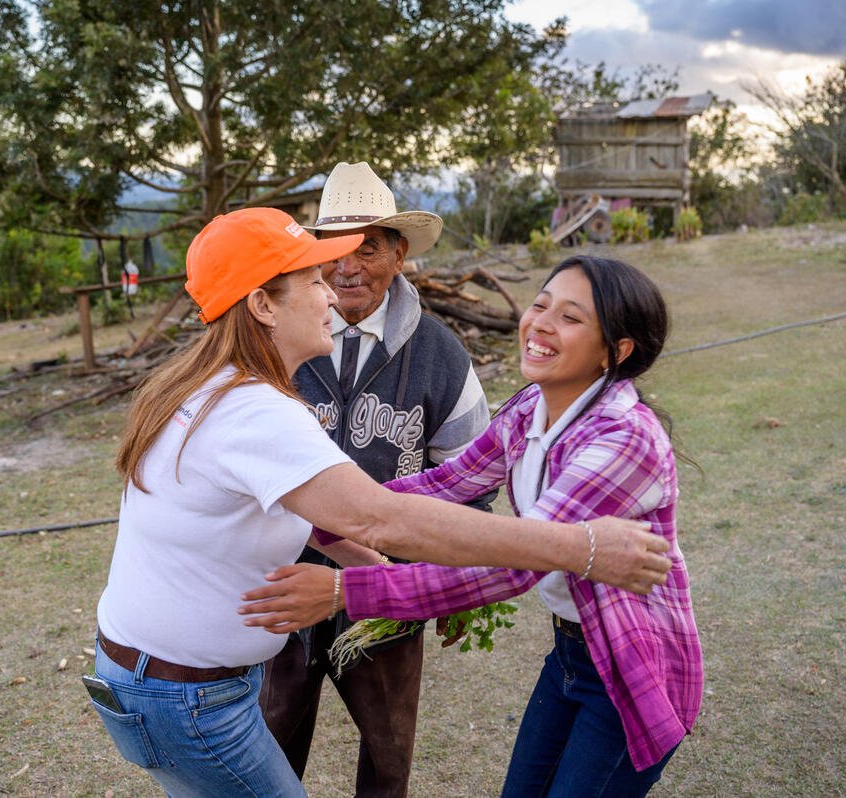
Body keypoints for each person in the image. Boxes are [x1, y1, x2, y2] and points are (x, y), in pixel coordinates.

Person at [89, 211, 673, 798]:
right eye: (315, 281)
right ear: (264, 305)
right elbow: (376, 514)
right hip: (184, 698)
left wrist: (363, 556)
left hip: (162, 683)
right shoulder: (258, 410)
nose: (332, 290)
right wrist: (584, 547)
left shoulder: (210, 384)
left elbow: (396, 495)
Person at [241, 255, 703, 797]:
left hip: (631, 665)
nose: (542, 325)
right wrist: (336, 512)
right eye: (540, 304)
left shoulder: (623, 440)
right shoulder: (532, 407)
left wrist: (347, 589)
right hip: (572, 657)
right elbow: (446, 483)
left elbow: (516, 567)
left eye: (571, 318)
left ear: (616, 350)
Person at [260, 160, 493, 798]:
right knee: (270, 741)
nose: (348, 266)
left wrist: (451, 576)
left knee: (388, 752)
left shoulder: (438, 351)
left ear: (398, 254)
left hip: (388, 593)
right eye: (334, 249)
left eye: (367, 247)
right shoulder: (280, 336)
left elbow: (473, 472)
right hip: (281, 581)